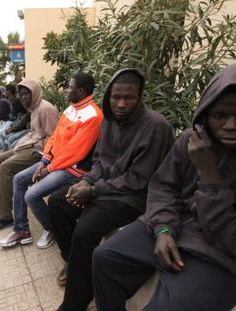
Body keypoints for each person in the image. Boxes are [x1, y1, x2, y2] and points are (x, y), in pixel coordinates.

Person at [92, 61, 236, 311]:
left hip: (223, 255)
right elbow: (163, 186)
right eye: (219, 116)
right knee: (104, 257)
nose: (230, 125)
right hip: (175, 226)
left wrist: (209, 174)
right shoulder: (191, 140)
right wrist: (162, 229)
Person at [48, 69, 174, 311]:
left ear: (140, 98)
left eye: (129, 98)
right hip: (105, 189)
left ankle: (76, 301)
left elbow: (138, 180)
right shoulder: (108, 120)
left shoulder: (156, 127)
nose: (121, 104)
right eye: (116, 97)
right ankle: (74, 264)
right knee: (57, 202)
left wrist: (92, 190)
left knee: (84, 231)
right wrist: (86, 182)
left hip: (134, 198)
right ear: (108, 96)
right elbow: (99, 162)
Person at [0, 73, 104, 249]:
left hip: (73, 169)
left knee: (32, 195)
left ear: (80, 90)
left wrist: (50, 168)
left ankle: (53, 229)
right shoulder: (72, 108)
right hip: (56, 163)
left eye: (70, 87)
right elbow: (55, 137)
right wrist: (44, 161)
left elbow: (75, 151)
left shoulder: (93, 115)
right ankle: (22, 229)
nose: (67, 90)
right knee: (19, 179)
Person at [0, 79, 59, 233]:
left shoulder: (46, 109)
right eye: (21, 94)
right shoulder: (34, 108)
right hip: (30, 146)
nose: (23, 97)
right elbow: (33, 132)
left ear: (35, 92)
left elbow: (54, 138)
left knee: (6, 167)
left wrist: (43, 157)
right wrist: (22, 142)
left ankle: (5, 216)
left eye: (26, 94)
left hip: (40, 152)